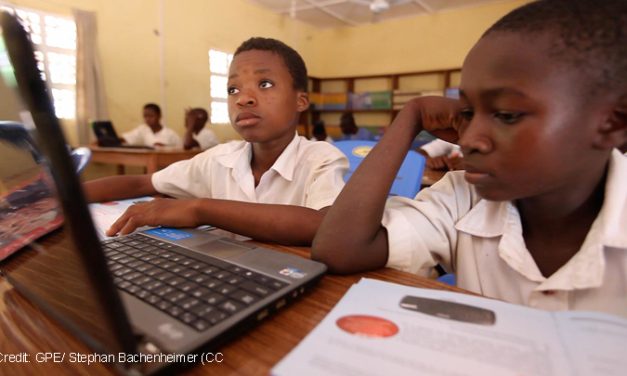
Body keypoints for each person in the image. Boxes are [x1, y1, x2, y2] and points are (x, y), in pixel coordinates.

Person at [312, 0, 627, 316]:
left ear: (613, 123)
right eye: (467, 112)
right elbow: (339, 249)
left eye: (506, 114)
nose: (469, 140)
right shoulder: (462, 196)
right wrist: (411, 116)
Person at [84, 37, 348, 246]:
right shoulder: (219, 158)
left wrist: (198, 209)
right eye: (233, 89)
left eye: (264, 83)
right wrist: (62, 196)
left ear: (301, 101)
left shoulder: (321, 157)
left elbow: (324, 226)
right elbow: (141, 182)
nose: (243, 98)